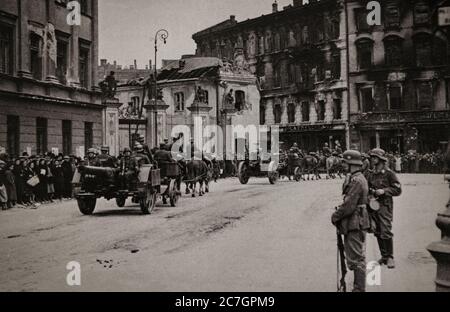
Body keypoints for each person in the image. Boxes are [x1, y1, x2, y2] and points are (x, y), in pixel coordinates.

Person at [331, 150, 370, 292]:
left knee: (357, 258)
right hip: (354, 221)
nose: (342, 165)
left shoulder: (357, 180)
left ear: (351, 163)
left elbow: (349, 205)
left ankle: (359, 289)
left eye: (344, 162)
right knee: (355, 256)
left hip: (355, 222)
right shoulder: (354, 178)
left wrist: (336, 215)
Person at [367, 148, 402, 269]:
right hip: (373, 205)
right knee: (376, 231)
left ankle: (391, 257)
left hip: (384, 205)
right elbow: (367, 188)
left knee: (385, 230)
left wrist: (384, 191)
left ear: (381, 159)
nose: (372, 159)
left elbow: (398, 189)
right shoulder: (371, 173)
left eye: (374, 157)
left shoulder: (389, 173)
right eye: (372, 157)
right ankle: (384, 256)